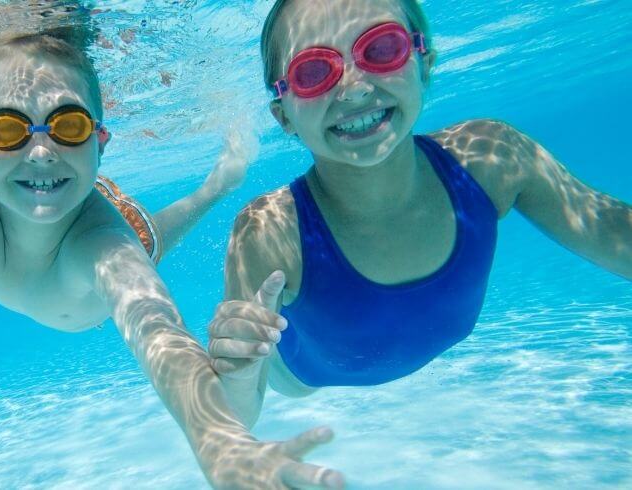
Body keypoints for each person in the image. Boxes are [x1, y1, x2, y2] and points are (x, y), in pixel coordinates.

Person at [0, 16, 345, 490]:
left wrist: (218, 441)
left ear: (99, 141)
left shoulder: (105, 242)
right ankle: (217, 181)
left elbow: (161, 333)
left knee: (156, 235)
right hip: (82, 216)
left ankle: (218, 183)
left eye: (68, 125)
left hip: (112, 222)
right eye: (8, 129)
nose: (40, 150)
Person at [208, 0, 632, 428]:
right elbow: (235, 417)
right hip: (302, 375)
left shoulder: (492, 158)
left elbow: (616, 234)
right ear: (285, 117)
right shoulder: (268, 230)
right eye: (314, 72)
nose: (354, 89)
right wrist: (239, 373)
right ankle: (225, 176)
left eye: (380, 48)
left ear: (424, 62)